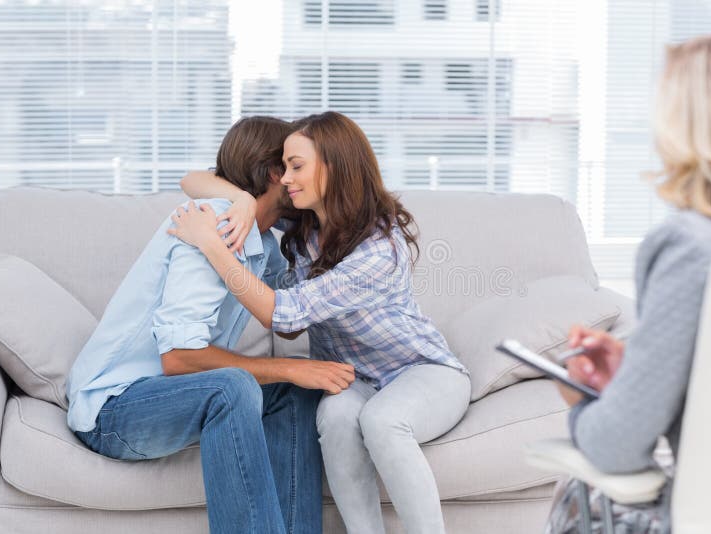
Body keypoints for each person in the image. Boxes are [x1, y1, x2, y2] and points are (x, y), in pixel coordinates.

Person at [171, 111, 472, 534]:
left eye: (297, 167)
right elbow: (191, 179)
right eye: (285, 167)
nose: (286, 180)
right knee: (333, 417)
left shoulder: (379, 251)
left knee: (382, 420)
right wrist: (240, 201)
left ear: (334, 166)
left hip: (422, 371)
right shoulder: (308, 221)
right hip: (353, 378)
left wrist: (210, 243)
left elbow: (285, 314)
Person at [65, 116, 356, 534]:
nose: (300, 178)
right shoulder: (210, 222)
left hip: (172, 396)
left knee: (294, 396)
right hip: (114, 410)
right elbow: (179, 358)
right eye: (292, 167)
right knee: (232, 385)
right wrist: (291, 367)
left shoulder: (263, 239)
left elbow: (288, 324)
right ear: (276, 174)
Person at [548, 33, 711, 533]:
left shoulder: (692, 246)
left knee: (578, 492)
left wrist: (587, 400)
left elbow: (618, 447)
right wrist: (639, 372)